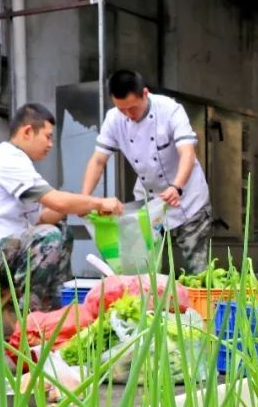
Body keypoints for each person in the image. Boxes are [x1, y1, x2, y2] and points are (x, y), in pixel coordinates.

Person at [0, 103, 122, 312]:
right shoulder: (6, 159)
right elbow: (55, 201)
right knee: (48, 237)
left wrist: (77, 205)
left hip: (5, 250)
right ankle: (32, 317)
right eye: (48, 136)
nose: (51, 144)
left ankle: (52, 309)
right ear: (28, 131)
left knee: (62, 231)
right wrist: (97, 202)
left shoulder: (20, 162)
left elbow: (43, 218)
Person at [80, 69, 212, 273]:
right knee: (143, 269)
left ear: (145, 93)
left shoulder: (170, 110)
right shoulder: (114, 118)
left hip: (187, 198)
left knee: (198, 270)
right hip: (151, 203)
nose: (128, 115)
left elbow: (187, 153)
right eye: (122, 109)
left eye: (132, 108)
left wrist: (176, 187)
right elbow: (98, 160)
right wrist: (85, 199)